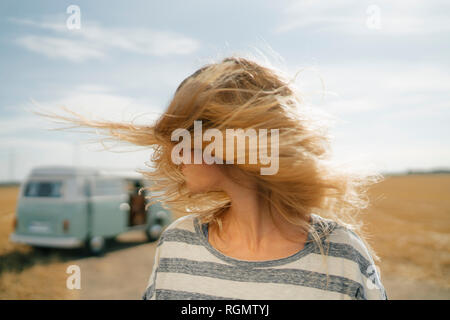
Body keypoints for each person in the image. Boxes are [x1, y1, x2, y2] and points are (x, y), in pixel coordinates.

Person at [36, 55, 387, 300]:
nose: (174, 155)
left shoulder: (344, 255)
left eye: (183, 137)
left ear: (233, 138)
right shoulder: (177, 243)